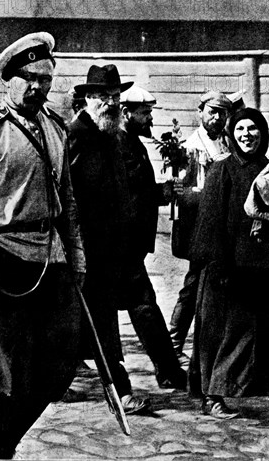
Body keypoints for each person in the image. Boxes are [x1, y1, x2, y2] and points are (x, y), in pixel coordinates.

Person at [0, 32, 86, 458]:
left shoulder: (55, 127)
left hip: (51, 256)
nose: (39, 88)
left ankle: (3, 443)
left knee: (59, 367)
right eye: (31, 79)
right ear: (9, 80)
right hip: (3, 260)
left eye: (46, 81)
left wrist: (77, 255)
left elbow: (67, 200)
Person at [189, 108, 269, 420]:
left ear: (262, 134)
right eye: (240, 129)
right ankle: (211, 396)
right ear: (232, 134)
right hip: (227, 269)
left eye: (253, 129)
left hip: (260, 267)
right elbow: (210, 222)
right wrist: (219, 267)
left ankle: (241, 388)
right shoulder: (222, 170)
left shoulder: (268, 170)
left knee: (251, 333)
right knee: (218, 335)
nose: (246, 135)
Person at [68, 64, 149, 414]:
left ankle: (62, 379)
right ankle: (120, 390)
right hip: (84, 248)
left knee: (90, 319)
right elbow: (64, 196)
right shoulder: (74, 135)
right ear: (87, 98)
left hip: (113, 248)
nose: (111, 103)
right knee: (99, 320)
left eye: (116, 97)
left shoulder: (113, 135)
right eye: (103, 97)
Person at [117, 85, 187, 390]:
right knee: (144, 306)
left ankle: (167, 369)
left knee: (139, 306)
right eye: (144, 113)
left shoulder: (132, 143)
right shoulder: (118, 145)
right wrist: (159, 192)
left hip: (129, 245)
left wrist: (161, 192)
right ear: (126, 113)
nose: (149, 120)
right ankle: (168, 370)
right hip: (121, 245)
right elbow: (124, 195)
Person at [169, 90, 232, 363]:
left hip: (224, 227)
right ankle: (173, 344)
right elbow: (182, 193)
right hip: (198, 228)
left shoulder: (228, 142)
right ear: (200, 112)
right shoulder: (189, 147)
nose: (217, 118)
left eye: (222, 113)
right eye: (212, 111)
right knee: (194, 284)